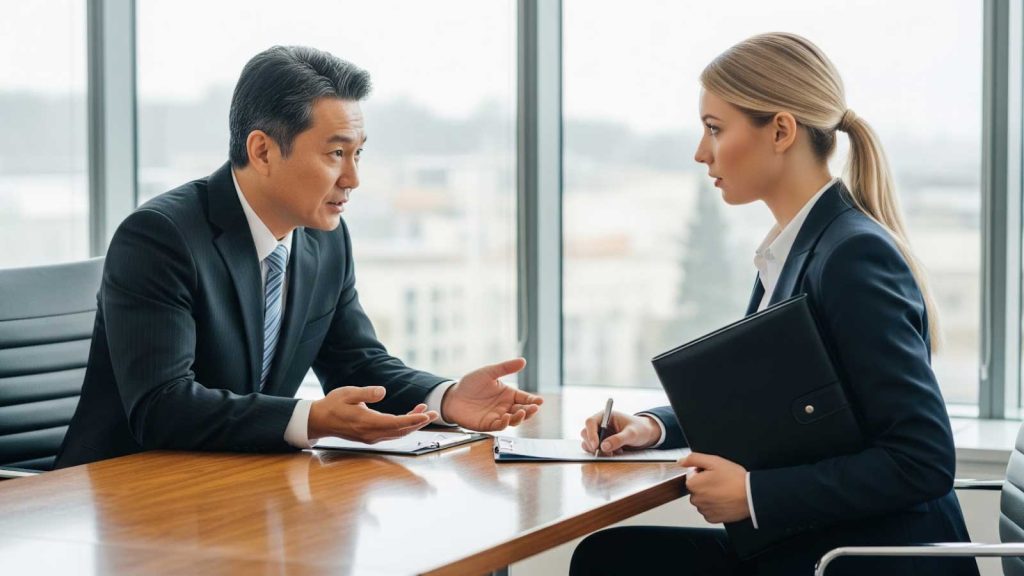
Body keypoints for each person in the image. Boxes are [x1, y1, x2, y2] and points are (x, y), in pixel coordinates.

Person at [570, 33, 977, 576]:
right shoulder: (797, 247)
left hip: (860, 558)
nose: (701, 152)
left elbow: (923, 461)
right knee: (611, 557)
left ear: (781, 130)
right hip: (817, 547)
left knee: (613, 562)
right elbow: (764, 406)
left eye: (715, 128)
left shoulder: (851, 255)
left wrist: (755, 494)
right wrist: (652, 427)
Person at [56, 45, 542, 468]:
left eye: (358, 154)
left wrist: (448, 398)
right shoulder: (161, 238)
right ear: (263, 151)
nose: (352, 178)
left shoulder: (324, 239)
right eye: (335, 154)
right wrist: (309, 419)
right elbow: (161, 406)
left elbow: (357, 364)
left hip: (237, 485)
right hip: (121, 499)